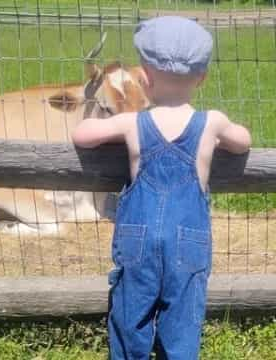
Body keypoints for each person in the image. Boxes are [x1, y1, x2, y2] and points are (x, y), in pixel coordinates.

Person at [71, 16, 251, 359]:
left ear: (143, 78)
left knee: (129, 318)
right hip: (188, 241)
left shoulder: (131, 123)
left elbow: (82, 135)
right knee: (182, 322)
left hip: (137, 241)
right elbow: (243, 142)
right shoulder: (211, 122)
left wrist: (95, 114)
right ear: (203, 77)